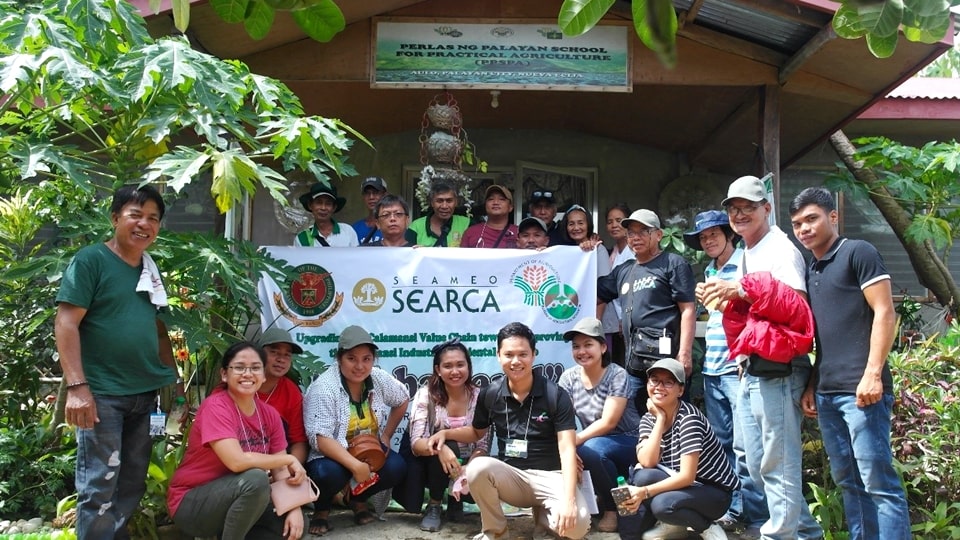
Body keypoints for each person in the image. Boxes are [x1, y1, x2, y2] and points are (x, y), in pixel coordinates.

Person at [54, 184, 183, 539]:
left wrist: (176, 383)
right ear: (115, 218)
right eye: (135, 215)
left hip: (147, 395)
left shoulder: (150, 269)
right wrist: (78, 388)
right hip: (103, 395)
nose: (144, 224)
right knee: (100, 484)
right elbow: (66, 322)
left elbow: (158, 331)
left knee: (132, 482)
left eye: (153, 218)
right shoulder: (92, 260)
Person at [700, 175, 823, 540]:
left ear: (766, 208)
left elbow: (797, 309)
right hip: (751, 366)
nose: (740, 215)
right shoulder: (749, 252)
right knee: (753, 460)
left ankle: (778, 536)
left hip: (780, 368)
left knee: (777, 462)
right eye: (734, 209)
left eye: (748, 208)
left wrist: (740, 289)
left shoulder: (780, 248)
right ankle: (807, 534)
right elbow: (750, 311)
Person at [790, 187, 910, 540]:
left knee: (879, 483)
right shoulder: (812, 268)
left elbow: (886, 313)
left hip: (864, 394)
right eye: (797, 223)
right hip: (827, 393)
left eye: (811, 219)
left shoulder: (858, 252)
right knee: (850, 484)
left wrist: (873, 374)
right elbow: (825, 335)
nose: (804, 229)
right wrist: (813, 384)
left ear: (833, 217)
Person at [426, 322, 591, 540]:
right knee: (477, 467)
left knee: (576, 527)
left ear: (533, 355)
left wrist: (569, 501)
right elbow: (476, 433)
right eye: (509, 354)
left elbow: (567, 449)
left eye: (523, 354)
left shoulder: (555, 395)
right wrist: (446, 434)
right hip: (512, 477)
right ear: (498, 355)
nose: (516, 361)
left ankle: (544, 520)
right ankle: (495, 532)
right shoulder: (491, 394)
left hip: (551, 477)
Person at [167, 342, 306, 540]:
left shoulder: (270, 415)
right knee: (256, 480)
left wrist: (294, 508)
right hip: (192, 503)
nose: (248, 374)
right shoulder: (216, 406)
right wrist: (287, 460)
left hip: (237, 498)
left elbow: (280, 471)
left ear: (263, 375)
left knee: (293, 526)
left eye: (256, 368)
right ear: (224, 374)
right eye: (239, 367)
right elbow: (237, 461)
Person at [684, 210, 765, 533]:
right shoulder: (709, 268)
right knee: (721, 443)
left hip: (737, 366)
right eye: (703, 238)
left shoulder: (746, 262)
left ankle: (758, 517)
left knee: (747, 447)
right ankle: (732, 508)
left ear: (728, 234)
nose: (708, 241)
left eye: (713, 234)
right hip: (713, 367)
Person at [302, 325, 409, 536]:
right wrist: (355, 465)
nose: (360, 366)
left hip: (367, 451)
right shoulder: (324, 387)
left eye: (366, 359)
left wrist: (386, 435)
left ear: (373, 360)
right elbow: (320, 438)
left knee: (396, 467)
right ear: (339, 358)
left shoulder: (377, 378)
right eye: (352, 358)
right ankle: (322, 509)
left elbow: (402, 398)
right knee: (326, 474)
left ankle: (356, 499)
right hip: (331, 456)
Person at [617, 359, 737, 540]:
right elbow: (648, 461)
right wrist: (659, 420)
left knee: (662, 505)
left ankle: (706, 527)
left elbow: (687, 476)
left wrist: (645, 492)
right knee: (642, 476)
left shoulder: (689, 419)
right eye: (655, 380)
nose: (659, 387)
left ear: (680, 390)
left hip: (714, 492)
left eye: (668, 382)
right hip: (686, 485)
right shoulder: (649, 419)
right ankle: (675, 525)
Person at [597, 209, 697, 411]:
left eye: (643, 231)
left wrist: (685, 354)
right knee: (635, 421)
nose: (635, 237)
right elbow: (597, 294)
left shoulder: (673, 263)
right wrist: (595, 332)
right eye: (631, 233)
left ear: (658, 235)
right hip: (634, 366)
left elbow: (688, 309)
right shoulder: (624, 270)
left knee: (672, 418)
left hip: (666, 363)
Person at [557, 317, 641, 533]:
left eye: (588, 345)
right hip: (594, 442)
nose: (581, 351)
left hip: (629, 439)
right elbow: (559, 419)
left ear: (603, 347)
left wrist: (574, 442)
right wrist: (569, 447)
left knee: (591, 449)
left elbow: (609, 422)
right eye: (576, 346)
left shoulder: (617, 374)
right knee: (577, 448)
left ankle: (613, 510)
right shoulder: (568, 378)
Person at [406, 339, 491, 532]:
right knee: (448, 445)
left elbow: (483, 444)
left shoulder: (481, 396)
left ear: (469, 366)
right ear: (437, 369)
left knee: (479, 465)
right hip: (433, 465)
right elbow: (416, 444)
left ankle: (456, 501)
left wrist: (470, 467)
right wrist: (440, 448)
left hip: (468, 461)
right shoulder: (425, 395)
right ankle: (434, 505)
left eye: (460, 365)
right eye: (448, 366)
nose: (455, 371)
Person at [256, 327, 309, 464]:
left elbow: (299, 442)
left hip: (278, 465)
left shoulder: (291, 392)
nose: (281, 359)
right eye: (274, 352)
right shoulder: (240, 384)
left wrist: (291, 469)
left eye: (287, 355)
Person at [602, 203, 633, 364]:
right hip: (614, 322)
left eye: (619, 220)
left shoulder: (634, 251)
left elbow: (630, 290)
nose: (614, 225)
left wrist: (624, 318)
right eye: (609, 221)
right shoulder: (612, 252)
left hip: (629, 320)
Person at [405, 182, 470, 247]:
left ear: (456, 202)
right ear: (432, 203)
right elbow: (406, 253)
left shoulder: (467, 224)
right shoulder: (416, 226)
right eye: (439, 201)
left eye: (449, 201)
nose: (444, 206)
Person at [294, 183, 359, 247]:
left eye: (328, 203)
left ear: (334, 207)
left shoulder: (347, 231)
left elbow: (356, 257)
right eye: (319, 202)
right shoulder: (301, 239)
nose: (323, 208)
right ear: (310, 205)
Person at [353, 176, 388, 245]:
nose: (371, 197)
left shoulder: (393, 225)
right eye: (367, 193)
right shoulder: (355, 228)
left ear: (384, 195)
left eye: (376, 192)